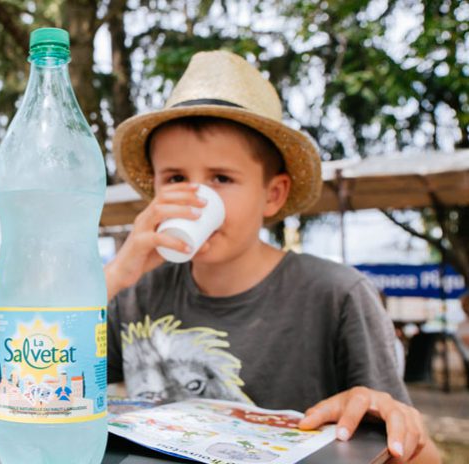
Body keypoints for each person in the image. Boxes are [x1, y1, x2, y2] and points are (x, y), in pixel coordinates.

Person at [104, 50, 440, 463]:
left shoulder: (337, 295)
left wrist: (389, 417)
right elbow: (49, 385)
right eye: (175, 178)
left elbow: (413, 451)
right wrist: (115, 276)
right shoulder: (135, 291)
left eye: (221, 178)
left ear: (273, 194)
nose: (194, 199)